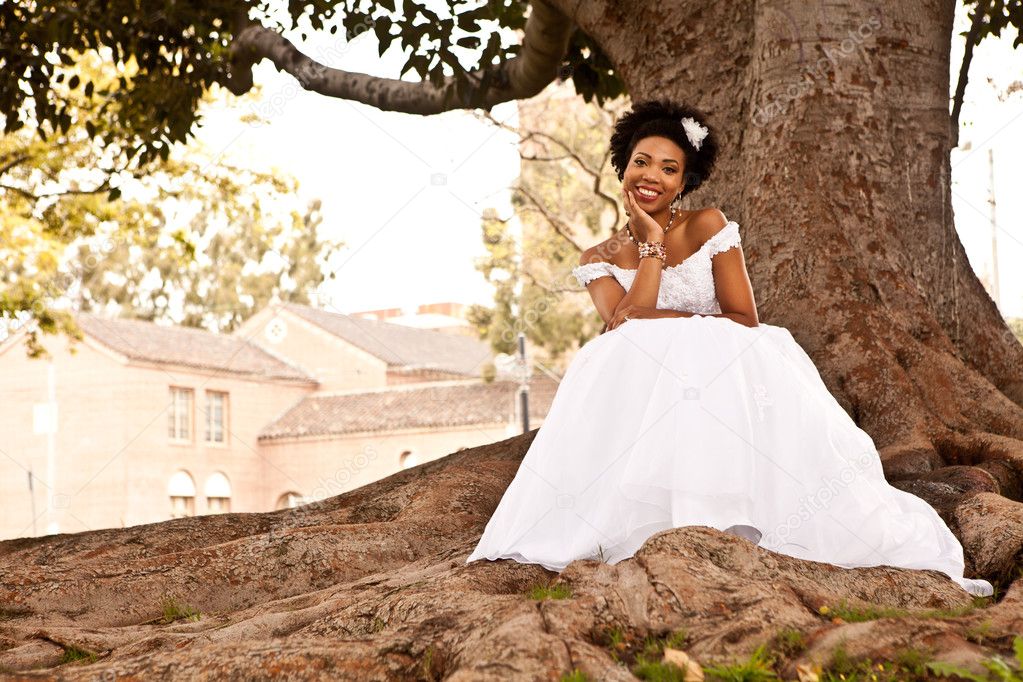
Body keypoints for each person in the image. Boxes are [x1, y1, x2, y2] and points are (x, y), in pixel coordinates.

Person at [465, 99, 994, 598]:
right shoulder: (599, 256)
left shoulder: (709, 224)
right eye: (641, 162)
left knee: (687, 351)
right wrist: (649, 247)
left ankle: (744, 520)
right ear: (621, 166)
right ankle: (637, 522)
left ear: (685, 180)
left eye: (669, 169)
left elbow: (742, 318)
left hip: (725, 373)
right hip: (643, 387)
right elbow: (623, 326)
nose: (652, 175)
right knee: (613, 354)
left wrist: (666, 317)